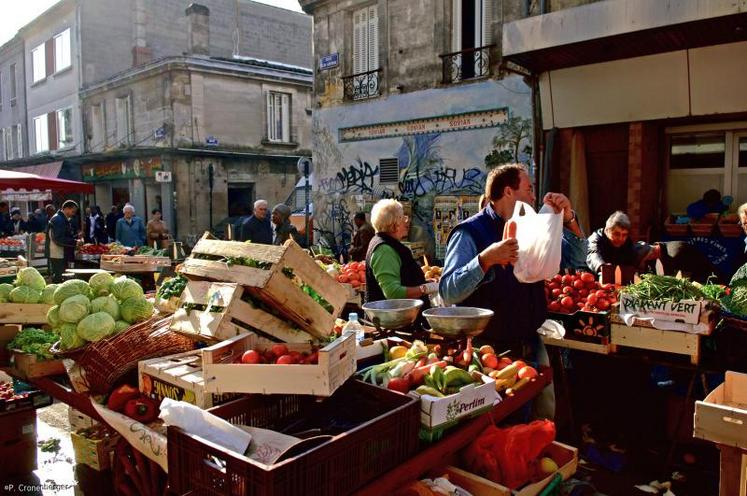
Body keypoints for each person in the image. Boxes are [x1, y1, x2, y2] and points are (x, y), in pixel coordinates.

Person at [440, 164, 585, 420]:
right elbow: (449, 291)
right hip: (490, 351)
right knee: (504, 422)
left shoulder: (531, 227)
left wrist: (568, 217)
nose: (533, 197)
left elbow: (575, 258)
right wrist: (484, 260)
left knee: (543, 416)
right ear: (509, 191)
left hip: (531, 340)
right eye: (528, 189)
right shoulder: (469, 233)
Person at [364, 199, 438, 310]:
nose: (407, 221)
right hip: (395, 322)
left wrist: (424, 283)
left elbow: (404, 280)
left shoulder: (389, 244)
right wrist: (426, 288)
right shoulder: (384, 250)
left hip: (404, 320)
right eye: (403, 217)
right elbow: (393, 293)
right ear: (394, 224)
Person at [48, 200, 78, 283]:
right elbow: (59, 239)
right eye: (73, 211)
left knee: (60, 276)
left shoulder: (60, 218)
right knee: (59, 277)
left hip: (59, 253)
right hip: (58, 254)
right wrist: (74, 242)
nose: (73, 214)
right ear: (66, 209)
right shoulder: (59, 219)